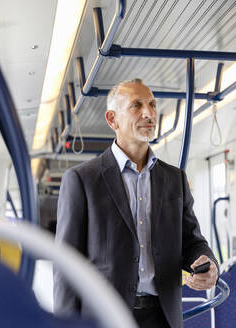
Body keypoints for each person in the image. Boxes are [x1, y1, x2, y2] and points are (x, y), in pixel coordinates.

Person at [53, 78, 218, 328]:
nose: (149, 113)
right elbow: (67, 264)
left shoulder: (175, 179)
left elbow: (192, 241)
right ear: (112, 119)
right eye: (136, 105)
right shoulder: (82, 179)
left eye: (152, 104)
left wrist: (208, 263)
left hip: (163, 317)